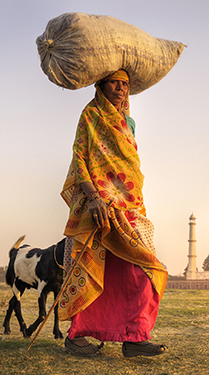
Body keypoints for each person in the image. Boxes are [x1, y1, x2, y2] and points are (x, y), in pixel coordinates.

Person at [59, 70, 168, 357]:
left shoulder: (129, 122)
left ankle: (135, 338)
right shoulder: (91, 116)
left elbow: (127, 162)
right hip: (97, 204)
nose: (120, 89)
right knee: (91, 265)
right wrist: (94, 197)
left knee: (142, 269)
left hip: (129, 204)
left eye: (124, 84)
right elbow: (80, 157)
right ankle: (76, 336)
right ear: (101, 86)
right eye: (114, 83)